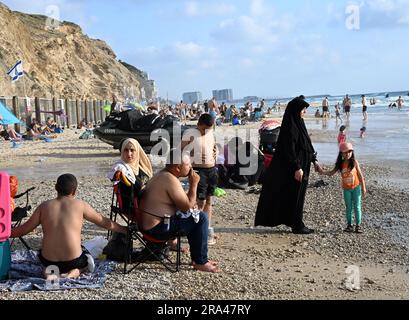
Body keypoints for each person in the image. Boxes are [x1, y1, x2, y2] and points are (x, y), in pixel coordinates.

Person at [10, 174, 127, 280]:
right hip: (73, 261)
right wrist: (124, 229)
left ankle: (49, 273)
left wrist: (5, 232)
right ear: (74, 191)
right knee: (87, 261)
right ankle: (75, 272)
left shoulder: (44, 207)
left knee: (45, 262)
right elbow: (103, 222)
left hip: (49, 260)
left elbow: (24, 229)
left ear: (56, 188)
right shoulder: (80, 205)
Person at [138, 149, 221, 273]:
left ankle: (198, 258)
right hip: (157, 230)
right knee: (201, 218)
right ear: (177, 167)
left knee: (196, 217)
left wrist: (190, 204)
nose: (191, 167)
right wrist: (194, 184)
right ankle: (200, 261)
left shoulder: (163, 175)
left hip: (152, 225)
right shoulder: (169, 179)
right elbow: (187, 206)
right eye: (188, 165)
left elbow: (183, 202)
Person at [255, 96, 320, 234]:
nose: (304, 112)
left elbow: (306, 144)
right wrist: (297, 167)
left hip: (303, 165)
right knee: (295, 196)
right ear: (296, 110)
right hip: (295, 168)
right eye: (303, 109)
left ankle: (297, 222)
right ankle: (297, 225)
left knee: (298, 195)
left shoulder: (299, 123)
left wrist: (314, 161)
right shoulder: (290, 127)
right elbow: (289, 149)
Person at [317, 142, 366, 233]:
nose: (347, 154)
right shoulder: (340, 164)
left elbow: (360, 175)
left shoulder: (354, 162)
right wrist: (322, 172)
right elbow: (331, 173)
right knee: (348, 207)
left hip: (356, 188)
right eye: (345, 152)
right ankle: (349, 225)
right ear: (341, 154)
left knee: (357, 206)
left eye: (349, 152)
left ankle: (358, 225)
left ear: (352, 152)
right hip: (346, 189)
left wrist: (363, 188)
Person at [185, 114, 218, 245]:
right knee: (200, 201)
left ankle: (207, 228)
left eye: (208, 129)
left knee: (209, 200)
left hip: (212, 169)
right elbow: (182, 150)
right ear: (198, 124)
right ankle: (197, 229)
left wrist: (215, 152)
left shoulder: (210, 133)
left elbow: (213, 146)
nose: (206, 132)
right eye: (204, 129)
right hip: (199, 170)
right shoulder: (190, 134)